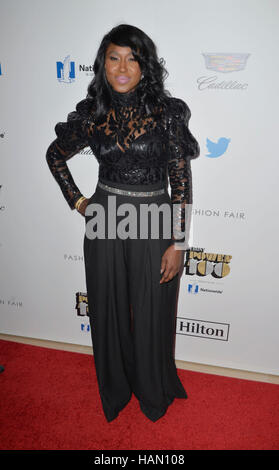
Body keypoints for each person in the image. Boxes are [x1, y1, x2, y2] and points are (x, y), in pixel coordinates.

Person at [46, 24, 200, 423]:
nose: (122, 67)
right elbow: (55, 155)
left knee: (154, 310)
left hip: (153, 219)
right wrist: (79, 202)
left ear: (144, 66)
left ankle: (153, 389)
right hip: (105, 218)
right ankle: (114, 390)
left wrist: (178, 242)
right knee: (107, 307)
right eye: (114, 58)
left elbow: (181, 181)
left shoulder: (166, 114)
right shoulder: (92, 113)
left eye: (132, 59)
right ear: (103, 64)